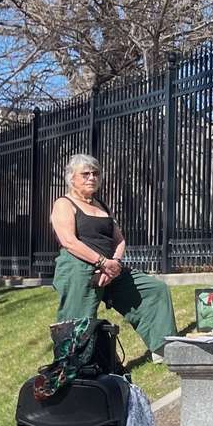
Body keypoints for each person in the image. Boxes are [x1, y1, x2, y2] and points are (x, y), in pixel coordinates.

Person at [49, 154, 176, 361]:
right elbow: (69, 241)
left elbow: (119, 240)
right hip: (77, 267)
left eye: (95, 173)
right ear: (72, 178)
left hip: (109, 267)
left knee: (154, 289)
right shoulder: (64, 203)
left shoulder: (101, 205)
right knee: (77, 322)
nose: (92, 177)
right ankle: (70, 367)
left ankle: (163, 348)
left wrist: (114, 264)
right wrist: (101, 262)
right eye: (85, 174)